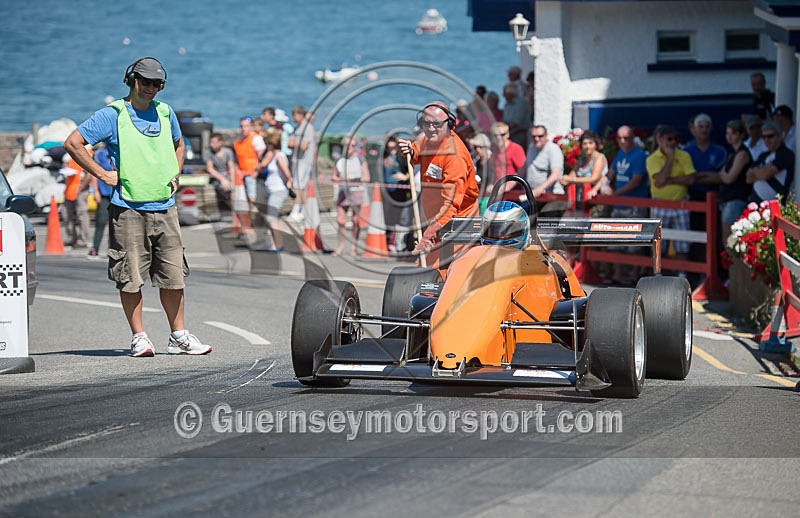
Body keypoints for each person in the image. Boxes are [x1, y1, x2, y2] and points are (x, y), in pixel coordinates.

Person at [63, 56, 212, 356]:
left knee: (173, 276)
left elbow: (179, 144)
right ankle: (139, 337)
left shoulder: (166, 112)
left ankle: (178, 336)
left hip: (165, 207)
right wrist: (103, 174)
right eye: (146, 82)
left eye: (158, 84)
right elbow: (73, 143)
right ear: (132, 81)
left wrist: (176, 175)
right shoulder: (112, 114)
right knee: (130, 277)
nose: (151, 88)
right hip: (127, 209)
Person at [397, 101, 479, 261]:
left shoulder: (455, 157)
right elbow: (417, 151)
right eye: (426, 123)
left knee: (447, 272)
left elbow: (451, 205)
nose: (431, 128)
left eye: (437, 124)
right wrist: (409, 150)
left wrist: (428, 234)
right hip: (437, 223)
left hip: (457, 226)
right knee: (426, 271)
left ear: (449, 124)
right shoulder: (429, 140)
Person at [602, 125, 649, 284]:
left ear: (633, 138)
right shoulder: (620, 153)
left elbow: (636, 181)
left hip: (634, 204)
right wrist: (603, 186)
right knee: (616, 240)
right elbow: (610, 174)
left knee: (635, 242)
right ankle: (618, 274)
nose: (623, 141)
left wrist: (615, 193)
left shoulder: (640, 155)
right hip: (619, 204)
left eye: (626, 138)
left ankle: (635, 275)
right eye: (619, 138)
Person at [646, 125, 697, 271]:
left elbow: (691, 179)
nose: (673, 142)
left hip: (681, 204)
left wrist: (670, 180)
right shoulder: (652, 158)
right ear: (660, 140)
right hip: (659, 204)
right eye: (669, 139)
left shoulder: (684, 155)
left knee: (683, 243)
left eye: (675, 139)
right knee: (658, 244)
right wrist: (670, 158)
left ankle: (681, 274)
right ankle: (658, 274)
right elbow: (659, 181)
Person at [716, 120, 753, 242]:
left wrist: (722, 175)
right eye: (728, 133)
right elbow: (723, 174)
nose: (729, 136)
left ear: (742, 135)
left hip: (736, 200)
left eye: (733, 133)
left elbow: (729, 178)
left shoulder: (742, 154)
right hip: (728, 200)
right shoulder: (733, 154)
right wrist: (723, 175)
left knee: (730, 239)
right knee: (727, 239)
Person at [333, 135, 370, 256]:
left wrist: (355, 179)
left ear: (356, 147)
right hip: (343, 192)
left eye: (352, 145)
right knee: (341, 221)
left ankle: (353, 248)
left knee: (355, 221)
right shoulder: (339, 160)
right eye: (347, 145)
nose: (349, 147)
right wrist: (342, 179)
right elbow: (334, 176)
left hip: (356, 191)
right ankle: (341, 247)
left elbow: (367, 177)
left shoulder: (360, 159)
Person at [560, 130, 610, 216]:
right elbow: (572, 174)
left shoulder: (599, 157)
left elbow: (594, 179)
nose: (587, 146)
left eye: (590, 143)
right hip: (580, 199)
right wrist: (565, 179)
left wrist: (572, 180)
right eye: (585, 144)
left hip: (594, 199)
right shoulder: (582, 158)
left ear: (595, 144)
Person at [746, 121, 795, 203]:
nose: (767, 140)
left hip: (775, 204)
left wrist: (756, 172)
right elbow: (748, 178)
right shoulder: (763, 155)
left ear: (780, 136)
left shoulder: (785, 154)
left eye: (770, 136)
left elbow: (767, 174)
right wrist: (763, 170)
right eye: (764, 137)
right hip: (755, 203)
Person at [522, 125, 565, 217]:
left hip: (552, 198)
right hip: (535, 198)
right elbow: (524, 168)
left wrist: (540, 189)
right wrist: (508, 184)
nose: (536, 139)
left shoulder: (553, 149)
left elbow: (556, 175)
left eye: (540, 136)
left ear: (546, 136)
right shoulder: (531, 147)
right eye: (533, 136)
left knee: (545, 224)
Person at [262, 129, 293, 251]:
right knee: (276, 218)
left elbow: (286, 172)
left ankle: (276, 244)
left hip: (278, 190)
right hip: (272, 189)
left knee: (271, 217)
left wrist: (288, 182)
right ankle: (278, 244)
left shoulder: (279, 156)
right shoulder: (274, 155)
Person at [685, 113, 727, 201]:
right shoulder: (686, 152)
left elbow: (719, 178)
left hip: (713, 196)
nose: (704, 130)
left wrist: (695, 177)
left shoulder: (720, 152)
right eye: (701, 127)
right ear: (694, 129)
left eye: (707, 127)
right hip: (691, 196)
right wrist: (708, 175)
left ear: (711, 128)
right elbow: (685, 177)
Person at [382, 137, 412, 251]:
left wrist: (405, 177)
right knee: (388, 217)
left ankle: (400, 243)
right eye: (389, 141)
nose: (390, 143)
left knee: (400, 217)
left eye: (392, 141)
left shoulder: (401, 156)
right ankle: (388, 242)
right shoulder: (384, 155)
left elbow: (411, 169)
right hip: (387, 191)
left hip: (400, 191)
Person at [288, 106, 316, 221]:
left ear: (301, 115)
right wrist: (295, 143)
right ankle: (302, 210)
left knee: (299, 185)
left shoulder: (308, 128)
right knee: (301, 185)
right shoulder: (297, 128)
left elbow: (303, 146)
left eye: (295, 115)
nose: (293, 118)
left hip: (304, 161)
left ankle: (296, 210)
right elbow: (290, 144)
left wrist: (294, 143)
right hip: (296, 160)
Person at [61, 147, 92, 248]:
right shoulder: (71, 154)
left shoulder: (87, 154)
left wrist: (82, 187)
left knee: (81, 215)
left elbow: (89, 174)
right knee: (66, 214)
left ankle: (83, 240)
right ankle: (72, 238)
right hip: (70, 189)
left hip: (80, 189)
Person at [88, 144, 115, 258]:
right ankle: (95, 248)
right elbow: (93, 174)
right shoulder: (100, 154)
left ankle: (113, 250)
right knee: (101, 222)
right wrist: (95, 191)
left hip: (117, 194)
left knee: (115, 224)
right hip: (104, 193)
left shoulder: (119, 151)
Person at [490, 122, 526, 202]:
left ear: (507, 134)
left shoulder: (516, 148)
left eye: (502, 135)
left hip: (512, 194)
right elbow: (493, 170)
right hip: (497, 192)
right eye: (496, 135)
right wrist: (491, 184)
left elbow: (523, 171)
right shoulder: (493, 149)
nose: (499, 138)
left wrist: (508, 185)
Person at [203, 133, 236, 209]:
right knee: (222, 187)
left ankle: (232, 209)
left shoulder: (228, 152)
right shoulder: (208, 152)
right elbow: (210, 169)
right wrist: (223, 180)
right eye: (211, 142)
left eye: (214, 142)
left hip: (227, 175)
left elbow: (231, 168)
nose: (212, 145)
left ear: (220, 142)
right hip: (215, 177)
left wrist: (233, 183)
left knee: (232, 189)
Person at [501, 83, 531, 147]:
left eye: (504, 93)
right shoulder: (507, 105)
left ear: (510, 93)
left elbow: (516, 123)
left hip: (519, 133)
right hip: (508, 133)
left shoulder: (521, 103)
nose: (503, 95)